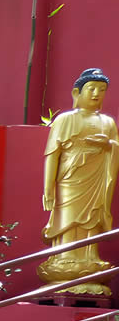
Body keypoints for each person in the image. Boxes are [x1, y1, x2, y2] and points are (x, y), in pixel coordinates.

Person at [38, 67, 118, 295]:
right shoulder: (65, 120)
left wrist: (108, 145)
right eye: (91, 88)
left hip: (96, 178)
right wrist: (48, 189)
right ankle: (65, 258)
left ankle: (90, 257)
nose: (96, 94)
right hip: (70, 177)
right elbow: (52, 154)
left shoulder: (108, 123)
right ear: (77, 93)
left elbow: (116, 149)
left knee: (93, 216)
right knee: (69, 217)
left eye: (102, 90)